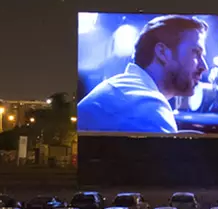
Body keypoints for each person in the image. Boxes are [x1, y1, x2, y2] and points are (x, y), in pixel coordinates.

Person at [77, 15, 207, 133]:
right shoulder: (147, 105)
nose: (204, 67)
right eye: (196, 52)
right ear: (162, 52)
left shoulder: (128, 91)